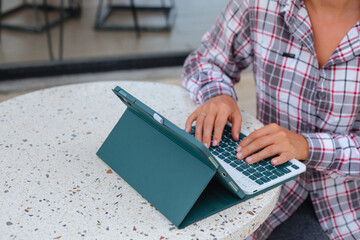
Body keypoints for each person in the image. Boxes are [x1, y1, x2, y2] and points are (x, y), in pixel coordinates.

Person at [181, 0, 360, 239]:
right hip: (266, 188)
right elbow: (205, 60)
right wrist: (218, 95)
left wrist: (306, 146)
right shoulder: (258, 4)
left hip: (349, 206)